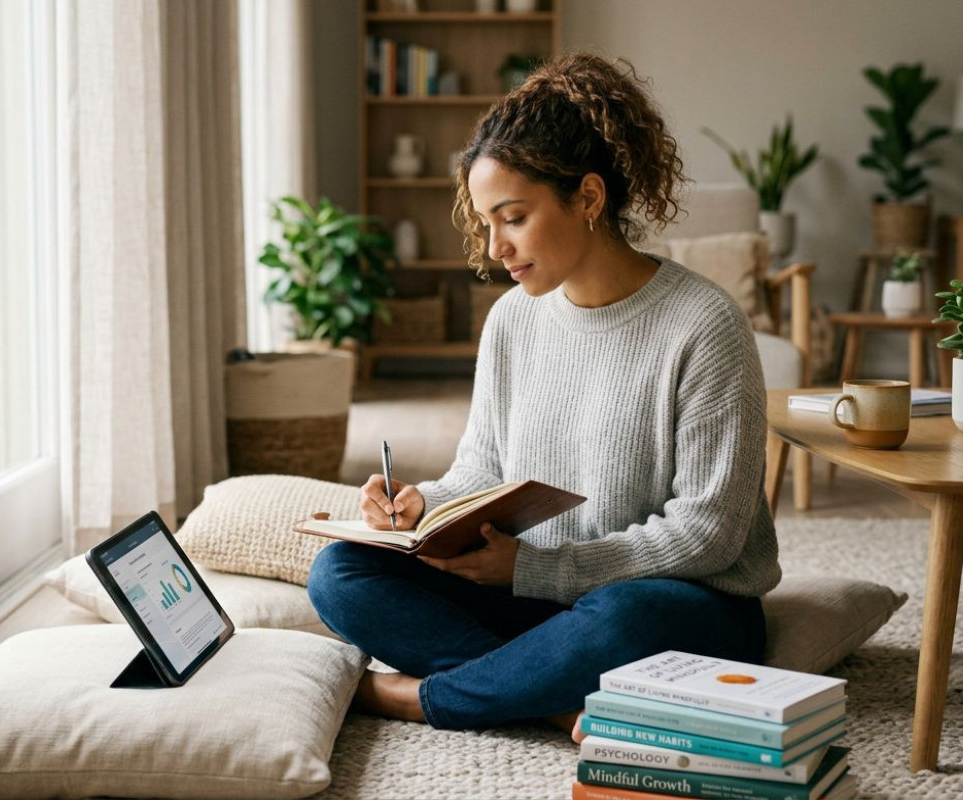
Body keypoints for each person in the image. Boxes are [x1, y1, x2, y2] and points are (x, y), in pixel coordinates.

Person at [306, 52, 780, 739]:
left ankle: (419, 698)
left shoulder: (702, 324)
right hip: (531, 599)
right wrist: (422, 507)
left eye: (513, 218)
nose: (495, 247)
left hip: (672, 607)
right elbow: (480, 469)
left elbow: (709, 533)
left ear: (588, 199)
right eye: (485, 222)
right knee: (340, 572)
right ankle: (552, 700)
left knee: (624, 620)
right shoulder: (512, 320)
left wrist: (541, 570)